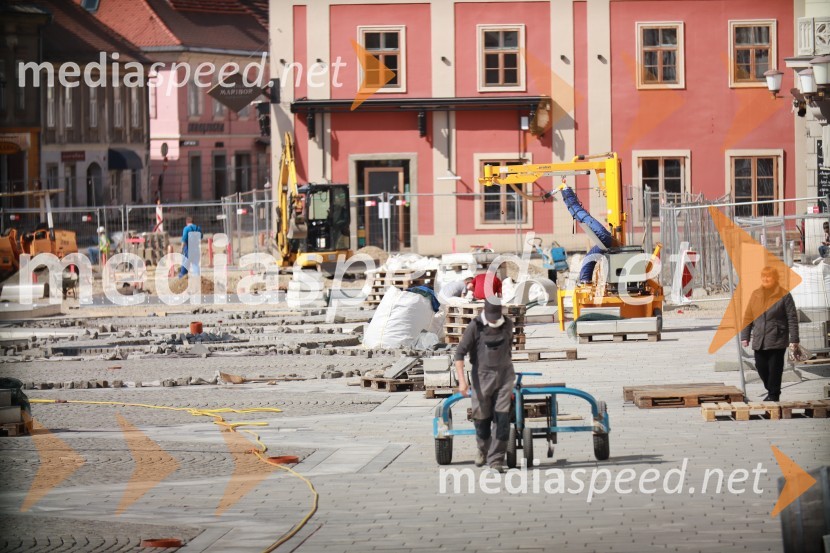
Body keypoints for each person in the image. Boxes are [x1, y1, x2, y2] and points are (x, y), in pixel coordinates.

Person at [454, 298, 515, 472]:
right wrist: (462, 382)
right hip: (482, 377)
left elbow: (509, 348)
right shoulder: (476, 326)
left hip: (505, 376)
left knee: (502, 419)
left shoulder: (508, 324)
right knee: (481, 419)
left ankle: (496, 460)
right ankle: (483, 449)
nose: (494, 320)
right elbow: (459, 354)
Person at [740, 266, 799, 402]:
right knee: (761, 367)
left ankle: (773, 395)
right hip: (760, 339)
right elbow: (748, 316)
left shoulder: (784, 295)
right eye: (763, 276)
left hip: (777, 338)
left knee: (775, 369)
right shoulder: (755, 294)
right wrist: (745, 336)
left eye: (769, 276)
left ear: (775, 278)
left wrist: (794, 339)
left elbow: (792, 318)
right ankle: (772, 390)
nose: (765, 279)